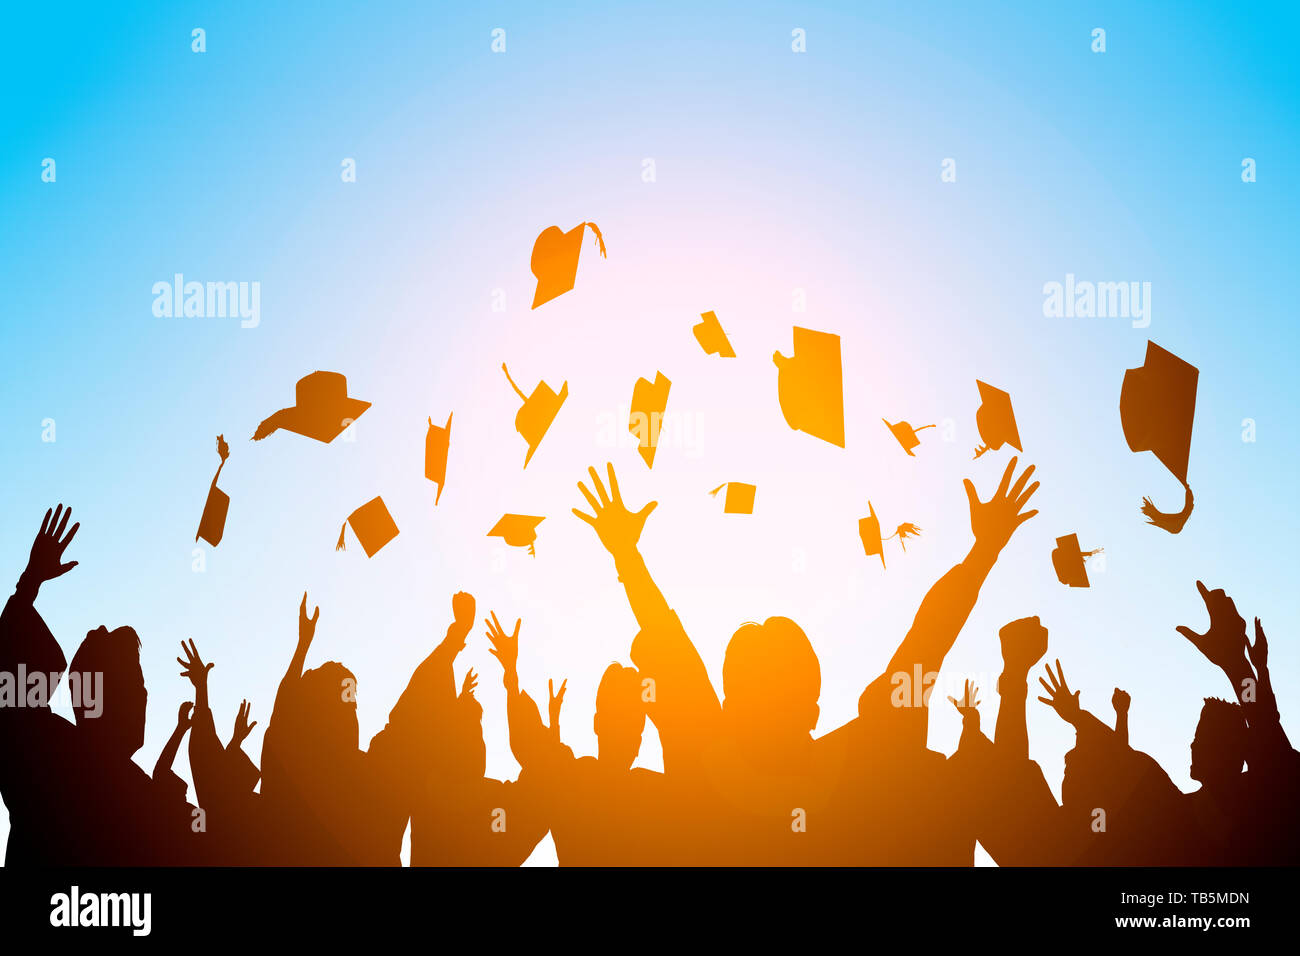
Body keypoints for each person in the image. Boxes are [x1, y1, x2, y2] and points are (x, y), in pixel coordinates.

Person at [570, 457, 1040, 864]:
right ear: (814, 709)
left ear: (729, 706)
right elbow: (925, 646)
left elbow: (672, 655)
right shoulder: (863, 765)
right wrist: (983, 551)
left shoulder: (700, 769)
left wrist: (627, 556)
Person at [0, 505, 205, 864]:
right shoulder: (53, 759)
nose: (143, 695)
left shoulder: (52, 756)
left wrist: (29, 584)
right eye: (133, 684)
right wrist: (29, 582)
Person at [484, 611, 682, 865]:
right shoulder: (653, 795)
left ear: (596, 724)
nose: (630, 736)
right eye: (627, 724)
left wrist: (511, 676)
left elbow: (531, 745)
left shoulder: (572, 778)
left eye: (633, 726)